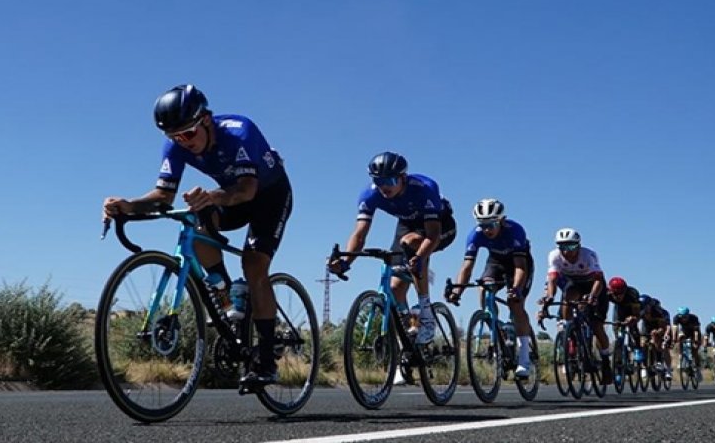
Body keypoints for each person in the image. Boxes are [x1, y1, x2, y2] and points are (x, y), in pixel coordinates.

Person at [102, 84, 292, 387]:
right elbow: (163, 196)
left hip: (268, 195)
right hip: (230, 196)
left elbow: (247, 190)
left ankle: (267, 359)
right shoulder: (177, 145)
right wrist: (128, 204)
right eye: (174, 137)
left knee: (254, 265)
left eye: (188, 134)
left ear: (206, 120)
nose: (183, 142)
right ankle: (231, 299)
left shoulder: (239, 131)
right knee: (197, 225)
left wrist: (213, 196)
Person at [328, 151, 456, 345]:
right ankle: (409, 330)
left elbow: (432, 235)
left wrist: (420, 258)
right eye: (378, 181)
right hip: (407, 224)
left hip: (440, 226)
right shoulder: (370, 195)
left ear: (403, 178)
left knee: (411, 242)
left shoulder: (425, 188)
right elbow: (359, 234)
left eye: (390, 181)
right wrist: (346, 262)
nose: (384, 187)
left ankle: (427, 312)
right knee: (395, 287)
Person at [445, 198, 535, 377]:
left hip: (519, 265)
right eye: (483, 224)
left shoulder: (515, 231)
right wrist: (457, 290)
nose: (487, 229)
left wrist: (516, 288)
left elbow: (520, 267)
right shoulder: (475, 235)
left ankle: (524, 357)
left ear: (501, 220)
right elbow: (467, 267)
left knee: (515, 304)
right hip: (496, 262)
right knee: (484, 289)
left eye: (491, 224)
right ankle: (496, 326)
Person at [536, 228, 611, 377]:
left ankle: (605, 360)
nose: (567, 251)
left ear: (578, 245)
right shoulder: (554, 256)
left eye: (570, 246)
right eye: (563, 247)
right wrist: (549, 297)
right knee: (567, 301)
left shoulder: (588, 255)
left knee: (597, 326)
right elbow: (552, 279)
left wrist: (592, 296)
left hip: (594, 285)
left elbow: (597, 280)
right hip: (574, 284)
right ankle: (571, 332)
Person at [672, 307, 703, 379]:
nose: (684, 319)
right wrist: (674, 339)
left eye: (685, 317)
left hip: (694, 333)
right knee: (680, 338)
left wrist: (695, 341)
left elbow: (696, 331)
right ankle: (681, 357)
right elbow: (675, 329)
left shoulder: (694, 318)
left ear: (688, 315)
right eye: (682, 317)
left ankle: (698, 369)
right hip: (684, 332)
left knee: (695, 350)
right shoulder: (676, 318)